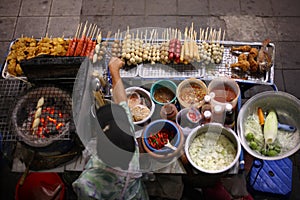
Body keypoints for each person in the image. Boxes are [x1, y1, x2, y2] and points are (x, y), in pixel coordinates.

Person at [72, 57, 149, 200]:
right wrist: (115, 72)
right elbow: (122, 102)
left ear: (99, 149)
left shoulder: (87, 182)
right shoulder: (128, 141)